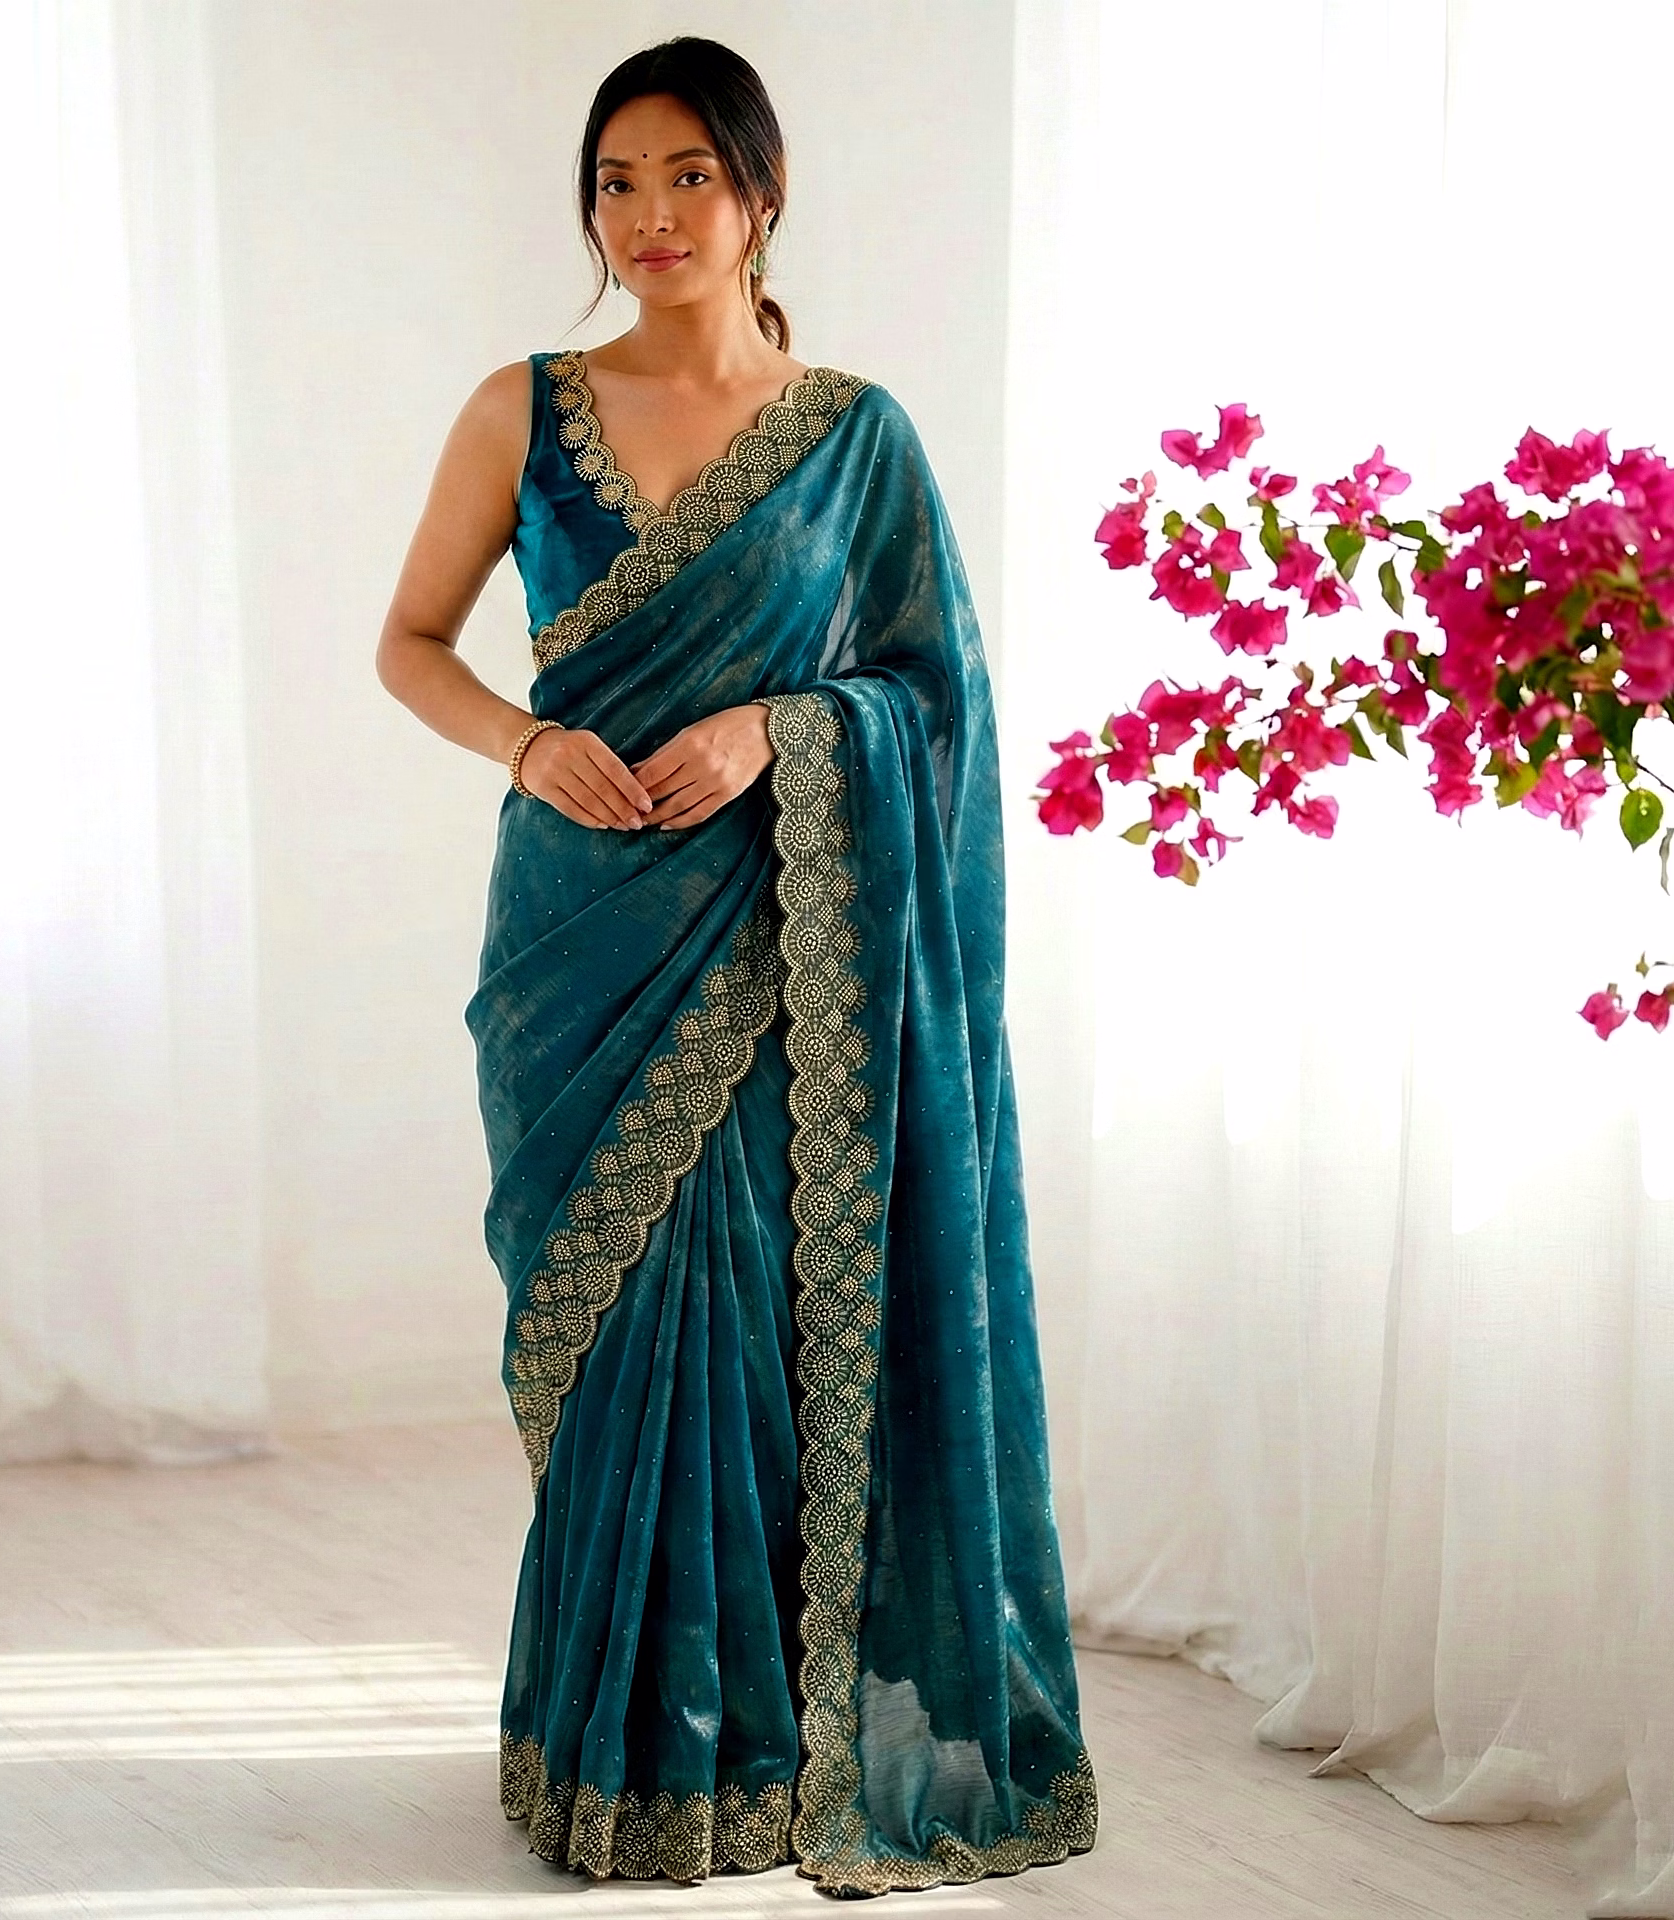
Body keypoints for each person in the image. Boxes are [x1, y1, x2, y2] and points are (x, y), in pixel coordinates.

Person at [374, 34, 1096, 1898]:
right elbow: (411, 644)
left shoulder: (855, 439)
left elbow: (936, 700)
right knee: (612, 1332)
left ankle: (751, 1754)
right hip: (576, 939)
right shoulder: (523, 409)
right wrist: (527, 742)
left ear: (762, 193)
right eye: (618, 181)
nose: (652, 214)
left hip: (783, 943)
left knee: (759, 1334)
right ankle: (608, 1752)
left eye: (689, 173)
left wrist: (783, 727)